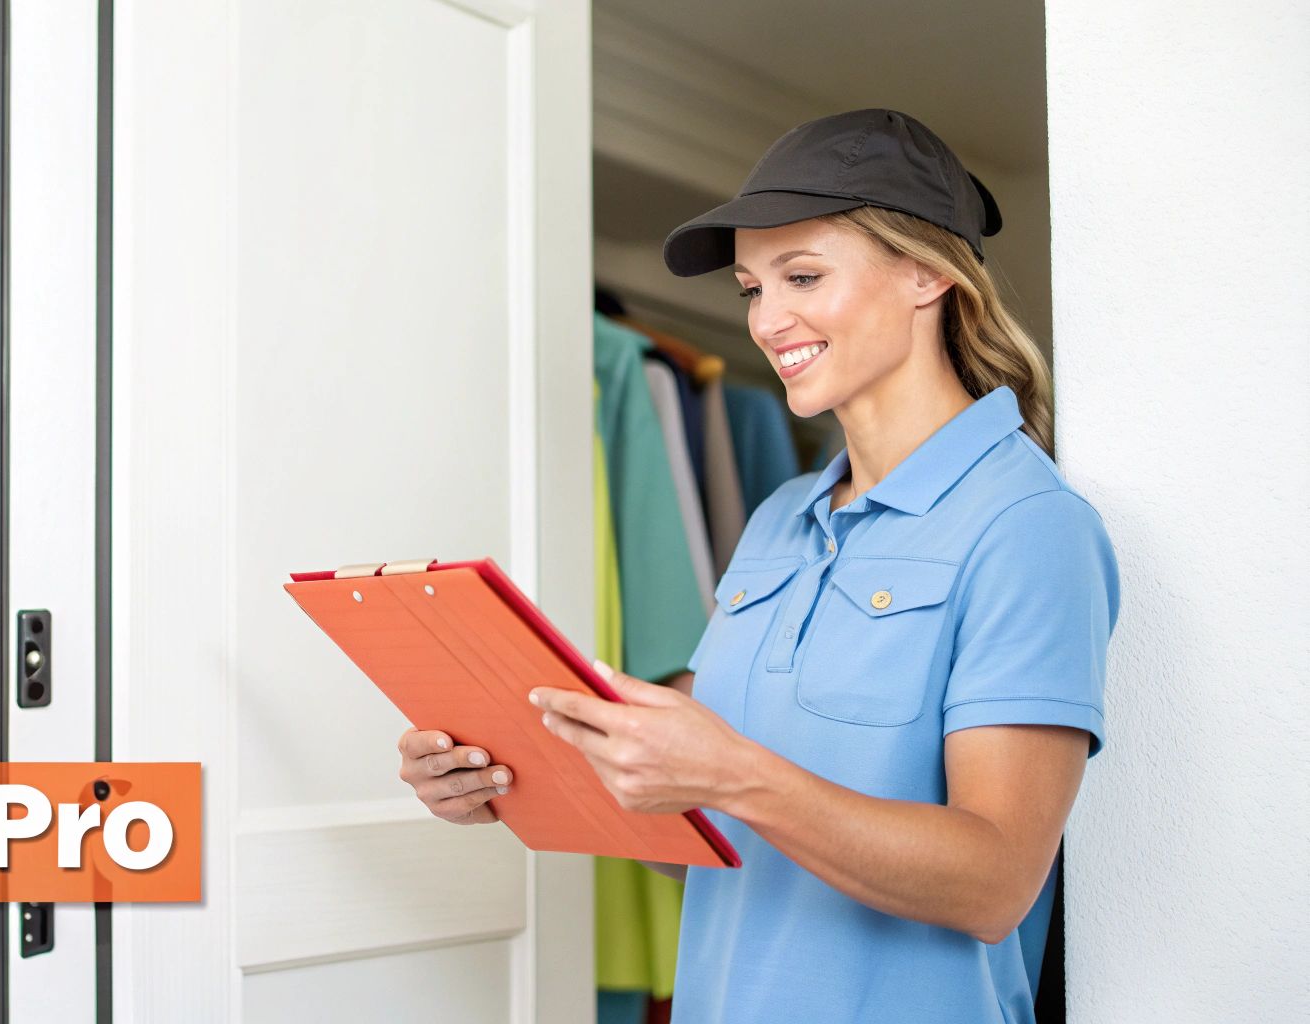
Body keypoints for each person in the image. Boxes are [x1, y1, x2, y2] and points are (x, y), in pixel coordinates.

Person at [396, 108, 1119, 1023]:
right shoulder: (782, 518)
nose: (768, 320)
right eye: (751, 288)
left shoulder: (1027, 525)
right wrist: (511, 777)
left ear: (928, 275)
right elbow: (702, 837)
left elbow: (995, 881)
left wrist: (736, 771)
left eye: (803, 277)